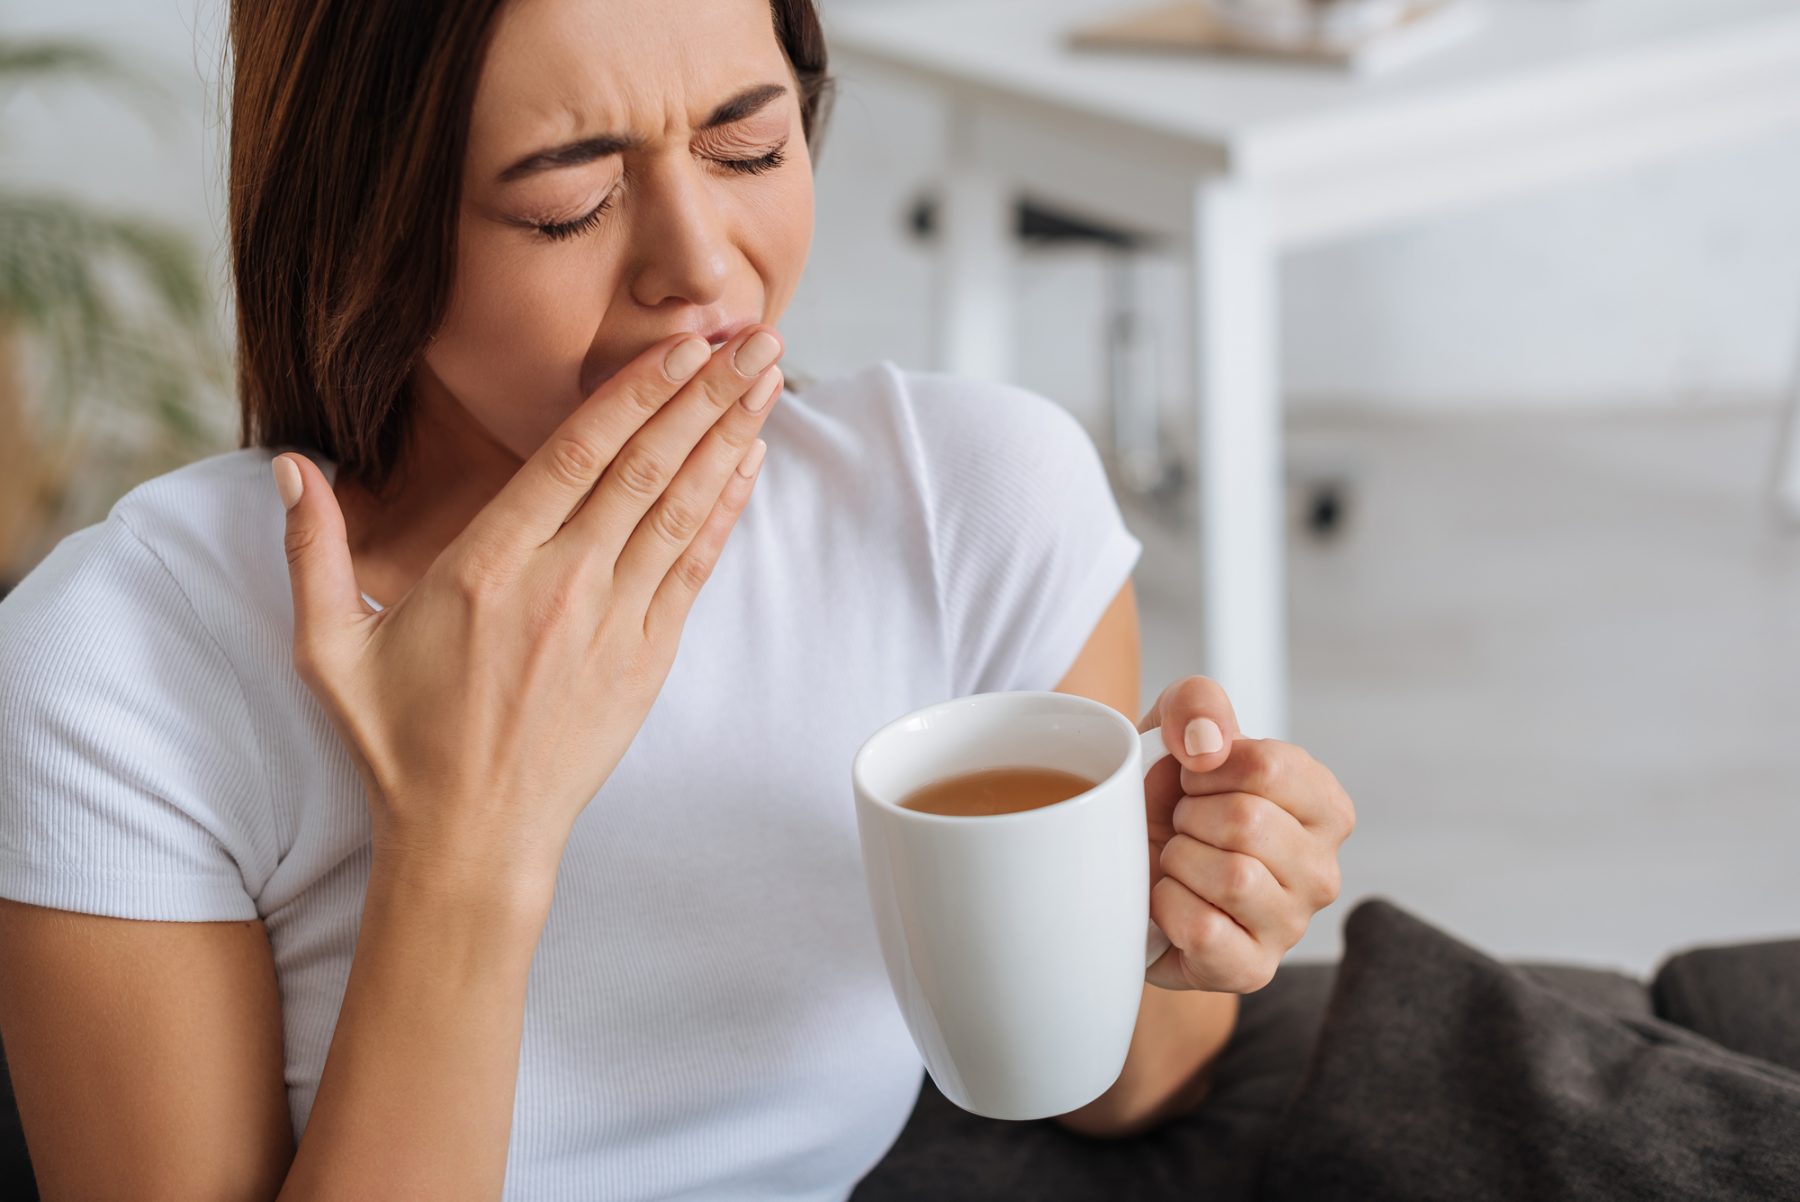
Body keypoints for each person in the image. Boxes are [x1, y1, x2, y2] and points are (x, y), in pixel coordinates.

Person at [0, 1, 1355, 1198]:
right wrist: (468, 834)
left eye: (749, 147)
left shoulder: (972, 507)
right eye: (564, 205)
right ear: (362, 221)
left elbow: (1120, 1085)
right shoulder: (121, 667)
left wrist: (1183, 902)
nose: (701, 270)